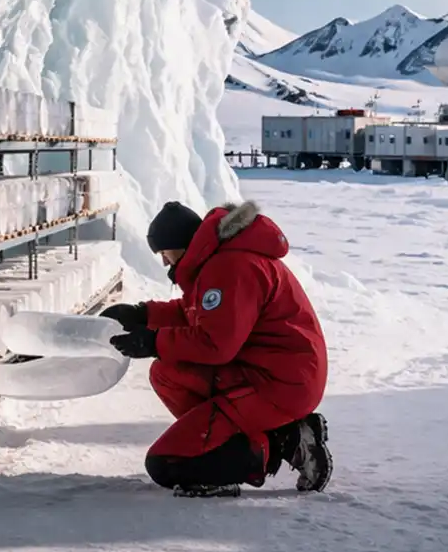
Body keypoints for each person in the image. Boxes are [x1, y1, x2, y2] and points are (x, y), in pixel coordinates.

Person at [102, 200, 332, 497]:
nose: (165, 263)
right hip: (269, 373)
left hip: (281, 384)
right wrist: (143, 315)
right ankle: (275, 435)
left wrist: (153, 341)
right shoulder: (220, 260)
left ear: (181, 244)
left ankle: (269, 448)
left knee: (167, 463)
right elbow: (194, 313)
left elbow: (215, 344)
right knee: (167, 373)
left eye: (164, 253)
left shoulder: (231, 267)